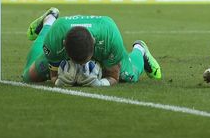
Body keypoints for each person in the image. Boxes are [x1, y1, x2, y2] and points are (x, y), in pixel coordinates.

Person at [21, 8, 161, 86]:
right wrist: (59, 81)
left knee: (128, 76)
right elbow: (54, 75)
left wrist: (100, 83)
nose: (80, 66)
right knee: (29, 76)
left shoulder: (110, 37)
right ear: (64, 45)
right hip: (59, 35)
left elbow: (114, 76)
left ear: (94, 42)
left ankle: (140, 49)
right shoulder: (55, 38)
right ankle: (49, 20)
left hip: (104, 45)